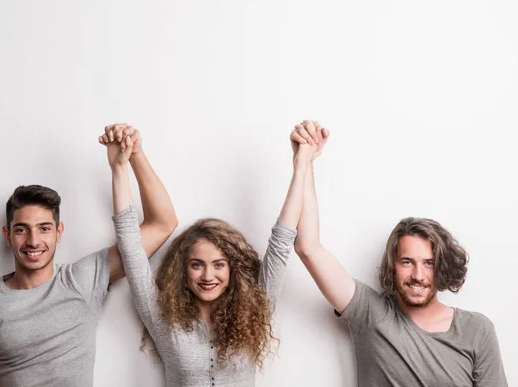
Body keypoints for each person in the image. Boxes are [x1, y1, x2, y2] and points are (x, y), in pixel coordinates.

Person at [0, 124, 178, 387]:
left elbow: (163, 223)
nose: (34, 240)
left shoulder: (82, 279)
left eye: (44, 228)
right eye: (22, 230)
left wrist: (133, 157)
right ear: (7, 235)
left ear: (59, 232)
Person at [290, 120, 507, 387]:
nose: (418, 275)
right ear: (393, 265)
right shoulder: (371, 313)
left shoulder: (477, 330)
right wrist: (304, 162)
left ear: (442, 266)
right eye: (407, 262)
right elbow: (308, 247)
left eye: (429, 263)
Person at [110, 125, 318, 386]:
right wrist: (120, 167)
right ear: (183, 269)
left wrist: (302, 164)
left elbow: (282, 241)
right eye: (197, 265)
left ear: (232, 269)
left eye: (218, 264)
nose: (208, 276)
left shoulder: (255, 307)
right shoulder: (164, 319)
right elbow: (130, 247)